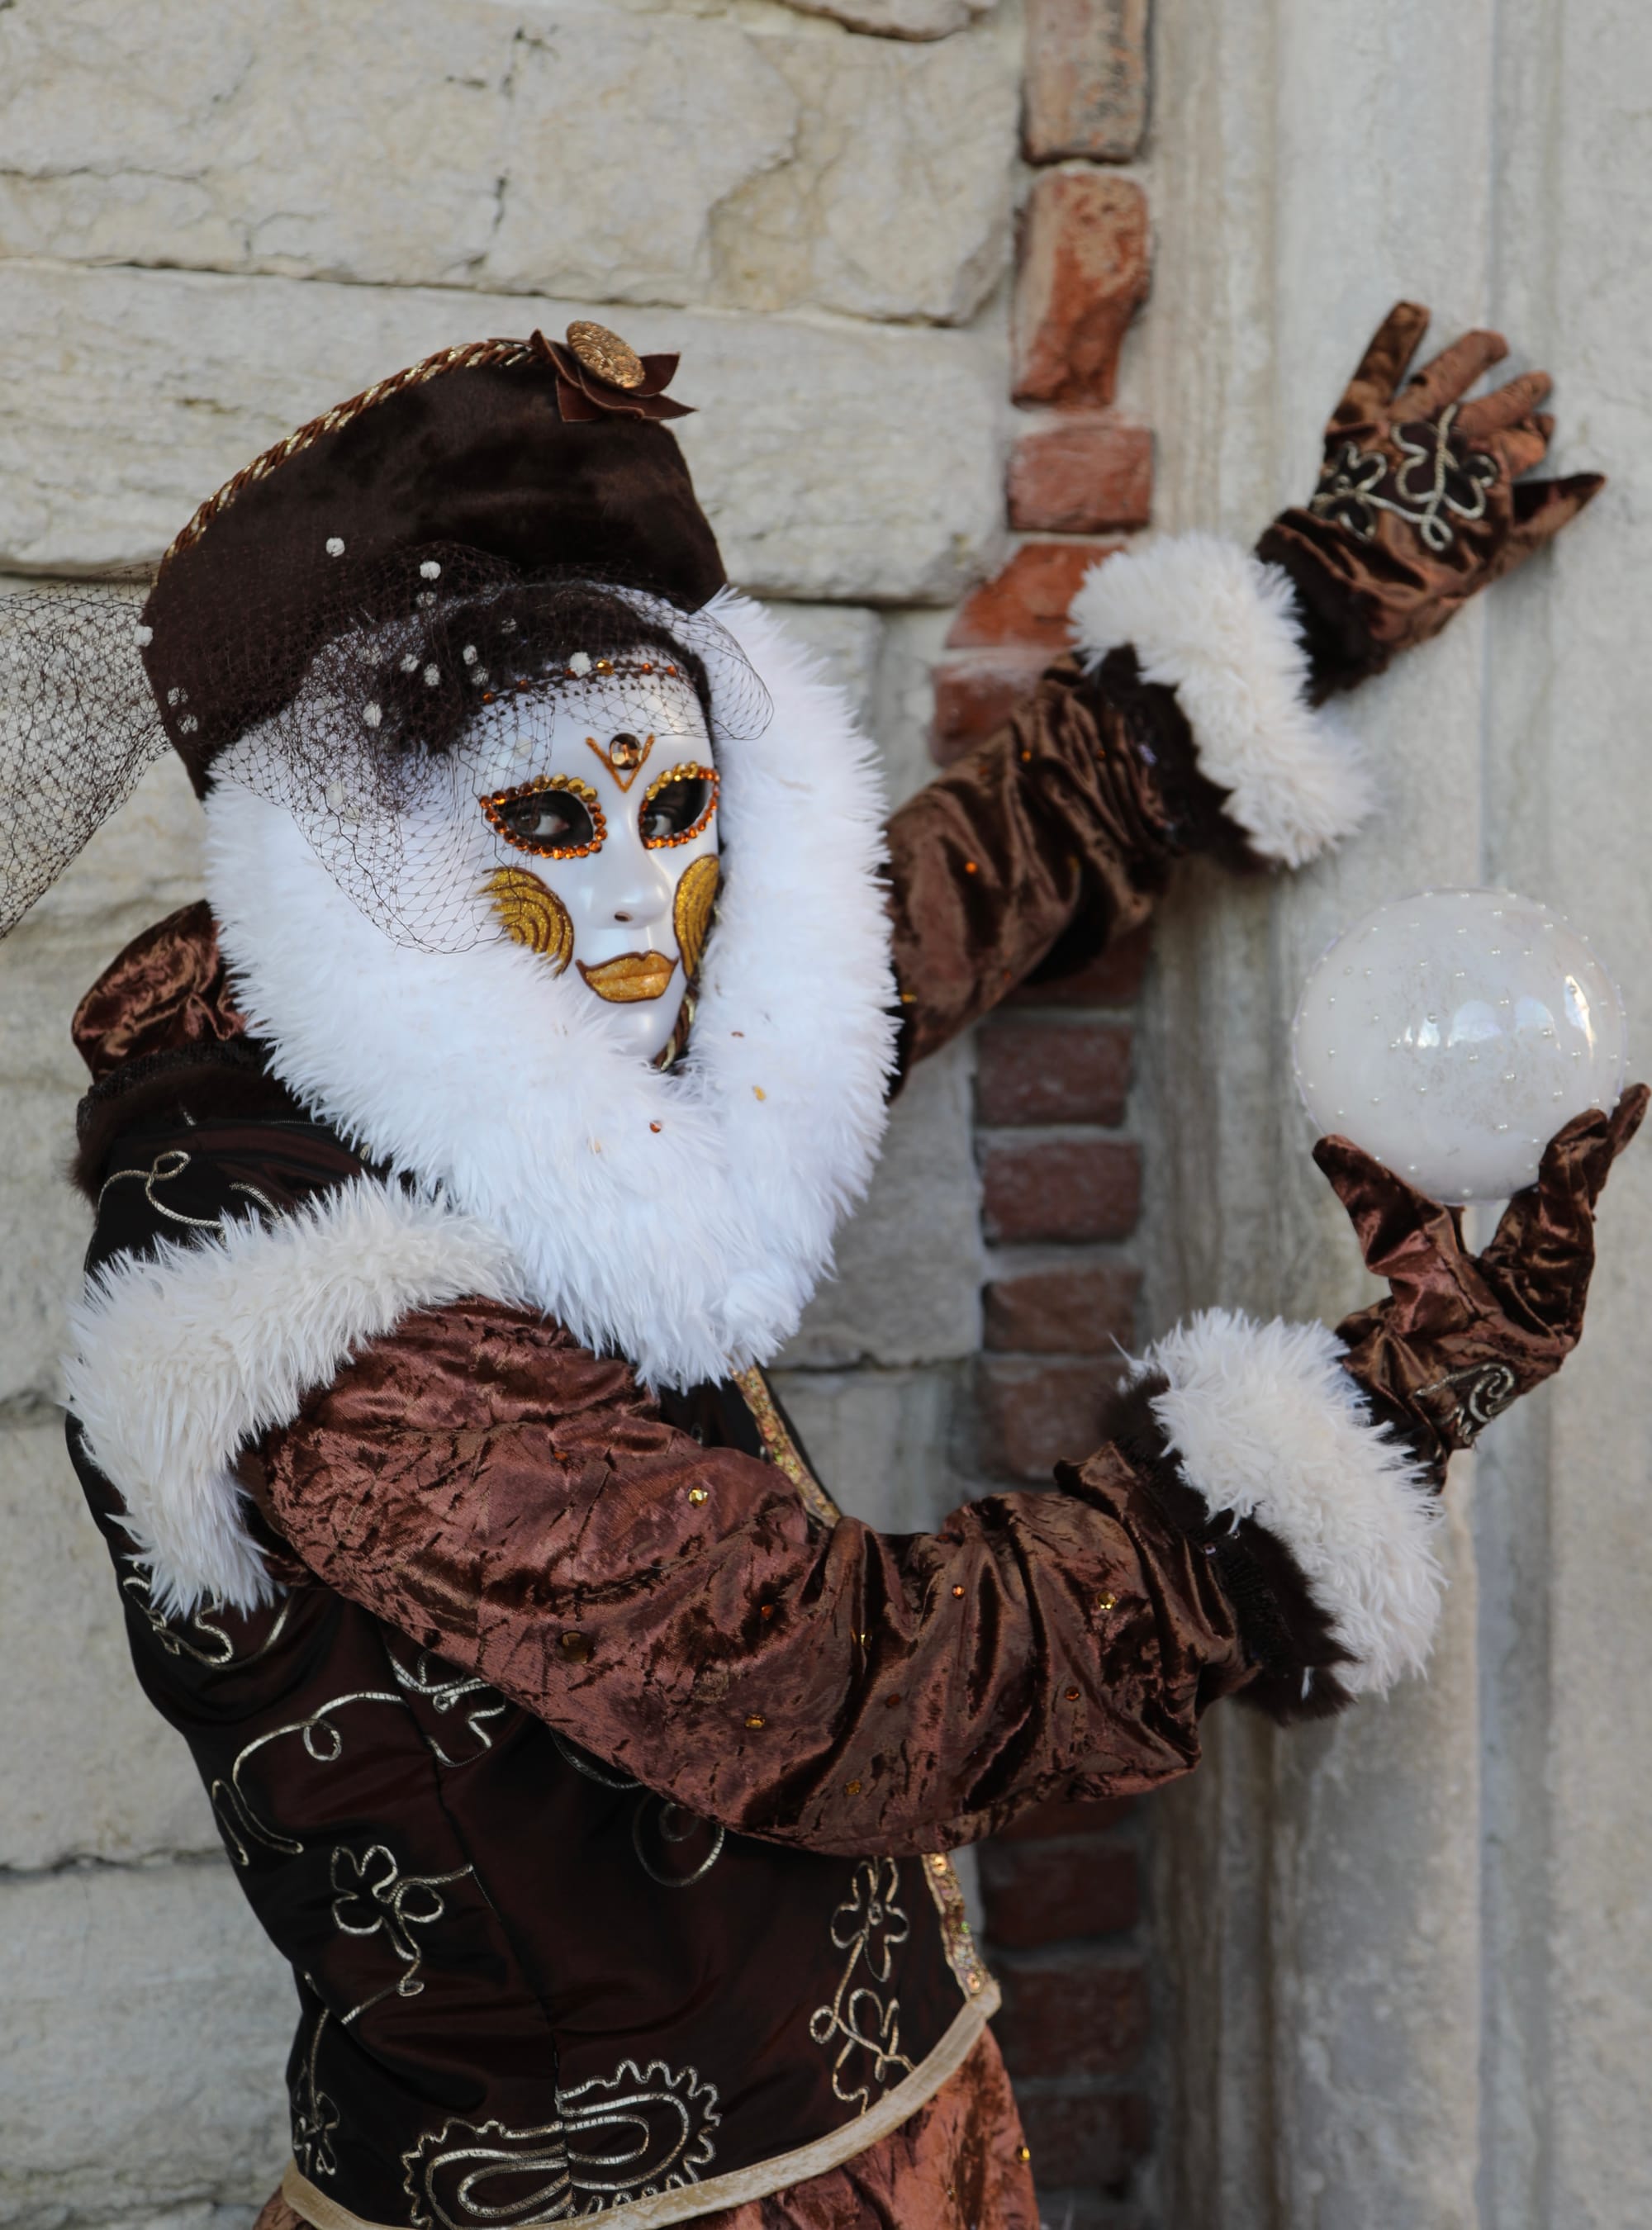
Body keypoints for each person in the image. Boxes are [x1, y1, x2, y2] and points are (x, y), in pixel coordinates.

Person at [21, 306, 1638, 2230]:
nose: (636, 899)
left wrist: (1306, 601)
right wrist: (1368, 1414)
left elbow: (915, 917)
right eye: (544, 818)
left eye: (680, 809)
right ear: (374, 850)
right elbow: (833, 1692)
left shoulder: (513, 1020)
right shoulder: (298, 1287)